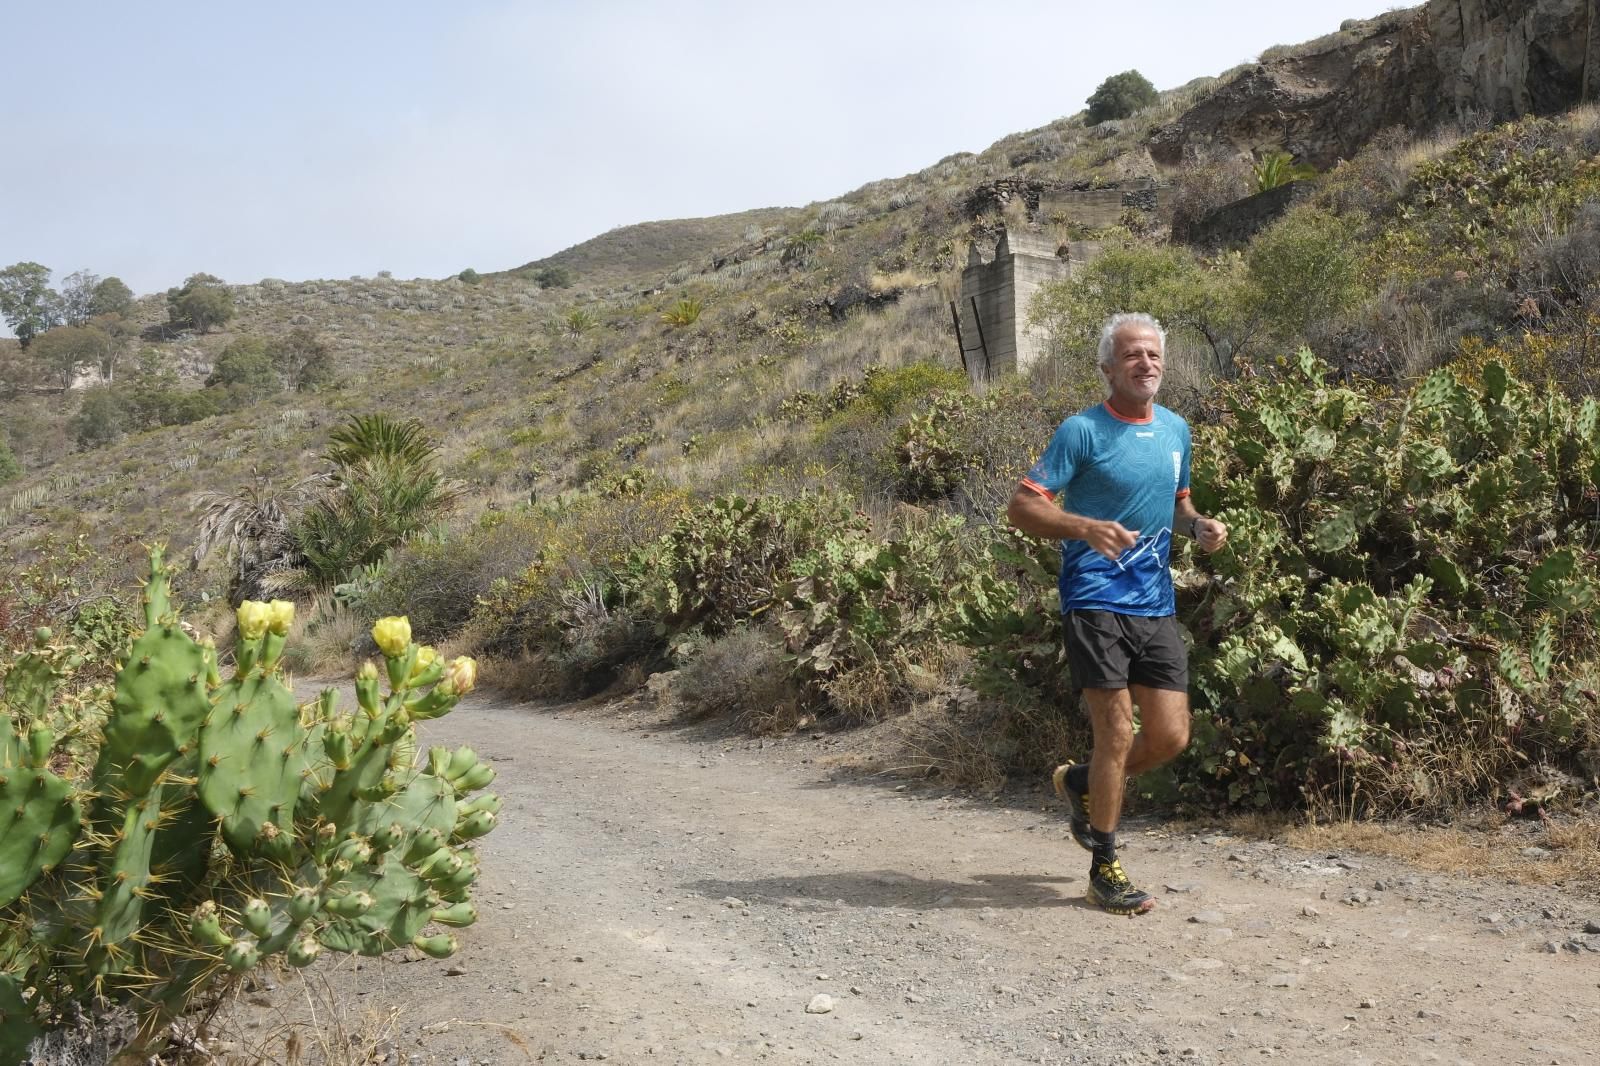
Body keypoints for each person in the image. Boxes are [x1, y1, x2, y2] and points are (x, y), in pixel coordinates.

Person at [1005, 312, 1228, 915]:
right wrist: (1083, 527)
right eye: (1133, 355)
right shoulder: (1081, 431)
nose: (1146, 364)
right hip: (1095, 598)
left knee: (1173, 735)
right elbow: (1023, 507)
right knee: (1117, 732)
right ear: (1109, 367)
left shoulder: (1177, 430)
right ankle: (1105, 865)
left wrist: (1199, 525)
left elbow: (1179, 502)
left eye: (1153, 354)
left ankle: (1080, 784)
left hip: (1155, 602)